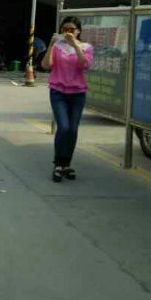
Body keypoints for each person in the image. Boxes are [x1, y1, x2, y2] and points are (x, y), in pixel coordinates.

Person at [43, 16, 93, 182]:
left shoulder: (86, 47)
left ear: (78, 31)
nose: (68, 33)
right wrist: (51, 45)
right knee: (63, 127)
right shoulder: (57, 46)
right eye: (65, 29)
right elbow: (46, 65)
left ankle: (67, 163)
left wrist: (75, 46)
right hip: (58, 92)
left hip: (78, 93)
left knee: (73, 129)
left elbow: (85, 65)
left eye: (71, 30)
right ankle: (58, 163)